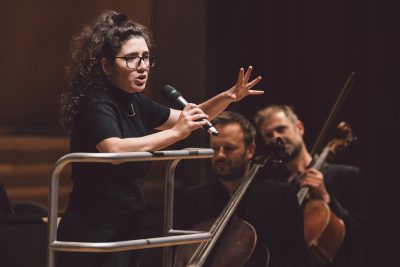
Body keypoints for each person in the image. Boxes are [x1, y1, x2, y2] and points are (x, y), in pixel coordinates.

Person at [57, 10, 263, 267]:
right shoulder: (96, 101)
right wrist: (176, 133)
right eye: (131, 59)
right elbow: (114, 150)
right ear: (106, 65)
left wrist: (228, 96)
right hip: (92, 234)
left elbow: (190, 116)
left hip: (125, 230)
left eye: (145, 58)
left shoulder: (136, 102)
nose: (142, 66)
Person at [175, 111, 312, 267]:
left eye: (229, 148)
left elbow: (298, 259)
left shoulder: (280, 195)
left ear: (250, 150)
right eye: (215, 148)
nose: (220, 155)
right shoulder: (193, 198)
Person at [254, 105, 366, 267]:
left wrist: (326, 198)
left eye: (281, 129)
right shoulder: (275, 188)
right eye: (269, 135)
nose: (276, 138)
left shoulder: (347, 176)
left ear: (299, 127)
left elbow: (359, 235)